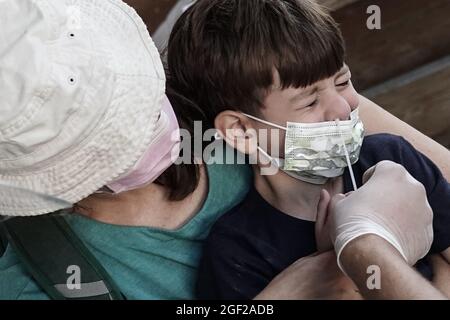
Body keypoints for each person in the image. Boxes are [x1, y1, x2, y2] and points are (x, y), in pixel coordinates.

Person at [0, 0, 449, 301]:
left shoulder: (245, 69)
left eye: (141, 106)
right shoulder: (46, 279)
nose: (151, 132)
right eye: (109, 143)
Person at [165, 0, 450, 299]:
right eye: (310, 102)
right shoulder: (239, 252)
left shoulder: (393, 159)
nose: (342, 108)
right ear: (241, 130)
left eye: (342, 82)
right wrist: (338, 266)